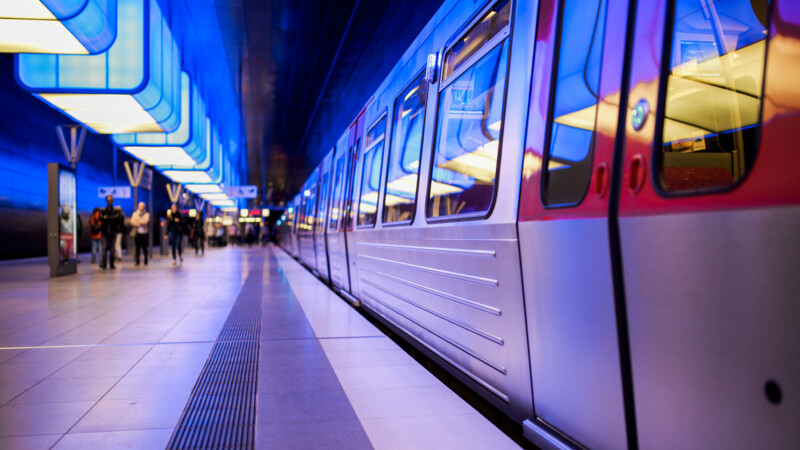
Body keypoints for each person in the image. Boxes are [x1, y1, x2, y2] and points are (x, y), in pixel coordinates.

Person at [99, 195, 123, 269]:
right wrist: (110, 218)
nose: (109, 201)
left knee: (112, 248)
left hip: (113, 231)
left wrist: (107, 218)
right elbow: (101, 218)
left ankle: (112, 263)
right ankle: (104, 263)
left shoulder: (116, 210)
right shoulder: (103, 210)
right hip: (105, 232)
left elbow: (118, 218)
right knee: (104, 248)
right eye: (108, 200)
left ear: (112, 201)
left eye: (110, 200)